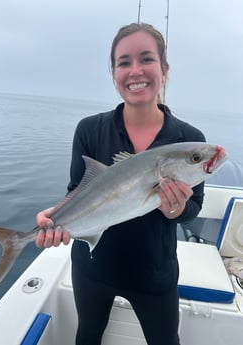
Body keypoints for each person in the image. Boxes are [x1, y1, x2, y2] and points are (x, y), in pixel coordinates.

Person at [36, 23, 206, 345]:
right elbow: (78, 189)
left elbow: (192, 208)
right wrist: (56, 215)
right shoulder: (89, 130)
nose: (135, 70)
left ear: (164, 69)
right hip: (92, 267)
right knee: (87, 336)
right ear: (113, 72)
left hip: (155, 273)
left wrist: (177, 209)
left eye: (147, 59)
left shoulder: (189, 141)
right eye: (124, 62)